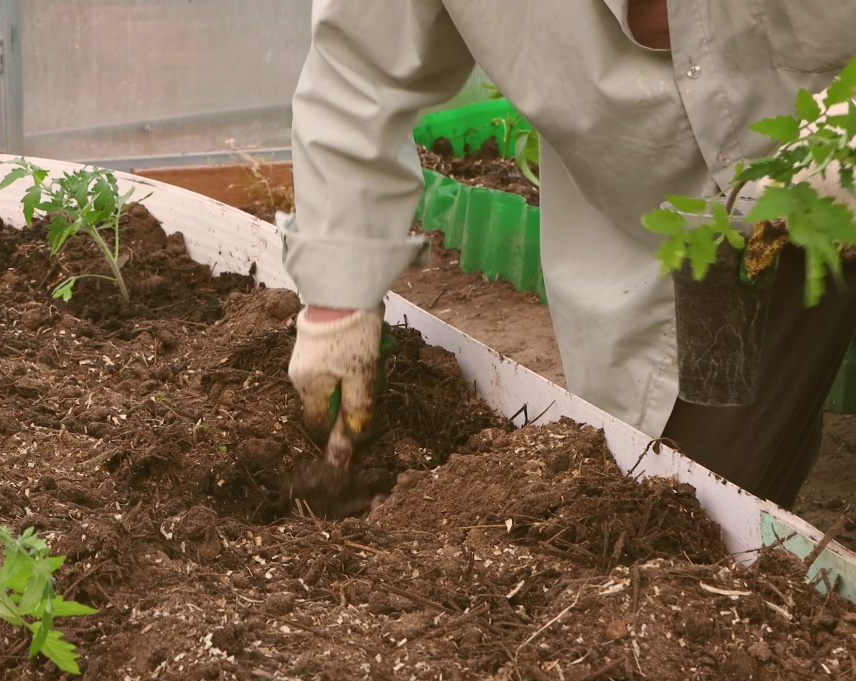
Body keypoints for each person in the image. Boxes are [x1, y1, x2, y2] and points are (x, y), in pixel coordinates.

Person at [281, 0, 856, 509]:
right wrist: (339, 302)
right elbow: (360, 72)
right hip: (683, 226)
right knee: (688, 505)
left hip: (831, 129)